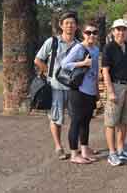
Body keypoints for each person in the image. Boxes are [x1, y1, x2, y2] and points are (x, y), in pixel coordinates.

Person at [35, 11, 79, 160]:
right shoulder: (52, 42)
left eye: (72, 23)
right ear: (61, 25)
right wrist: (48, 72)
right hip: (55, 87)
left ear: (76, 26)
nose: (70, 26)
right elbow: (38, 60)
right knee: (56, 118)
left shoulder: (79, 45)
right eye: (67, 23)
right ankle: (58, 146)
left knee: (76, 118)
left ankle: (75, 146)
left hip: (73, 87)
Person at [61, 21, 100, 164]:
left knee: (86, 122)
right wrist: (82, 64)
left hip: (90, 90)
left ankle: (84, 150)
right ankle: (73, 153)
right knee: (76, 121)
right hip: (78, 90)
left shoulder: (95, 50)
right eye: (88, 32)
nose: (91, 35)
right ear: (83, 34)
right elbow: (64, 64)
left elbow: (95, 72)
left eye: (94, 32)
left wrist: (97, 91)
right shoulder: (79, 48)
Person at [102, 19, 127, 166]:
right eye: (118, 29)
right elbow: (105, 71)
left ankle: (121, 149)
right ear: (113, 31)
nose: (121, 32)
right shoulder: (109, 48)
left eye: (124, 29)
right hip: (115, 87)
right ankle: (112, 153)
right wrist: (110, 91)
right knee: (111, 121)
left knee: (124, 120)